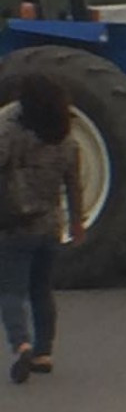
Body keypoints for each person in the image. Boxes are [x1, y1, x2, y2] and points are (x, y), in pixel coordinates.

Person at [0, 74, 85, 384]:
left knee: (10, 290)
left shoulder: (12, 134)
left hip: (15, 225)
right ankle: (43, 352)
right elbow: (74, 185)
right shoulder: (67, 140)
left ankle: (20, 343)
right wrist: (77, 222)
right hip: (51, 225)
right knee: (42, 291)